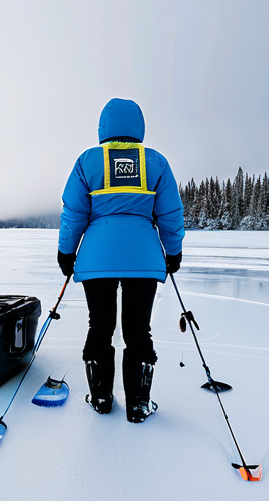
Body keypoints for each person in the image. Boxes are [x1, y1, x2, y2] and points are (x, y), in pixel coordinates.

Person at [57, 98, 185, 423]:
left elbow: (74, 214)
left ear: (103, 127)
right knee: (138, 330)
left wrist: (66, 252)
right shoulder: (156, 162)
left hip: (96, 259)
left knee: (99, 327)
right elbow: (170, 215)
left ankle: (100, 398)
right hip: (143, 259)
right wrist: (173, 252)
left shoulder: (88, 161)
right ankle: (138, 405)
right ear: (138, 126)